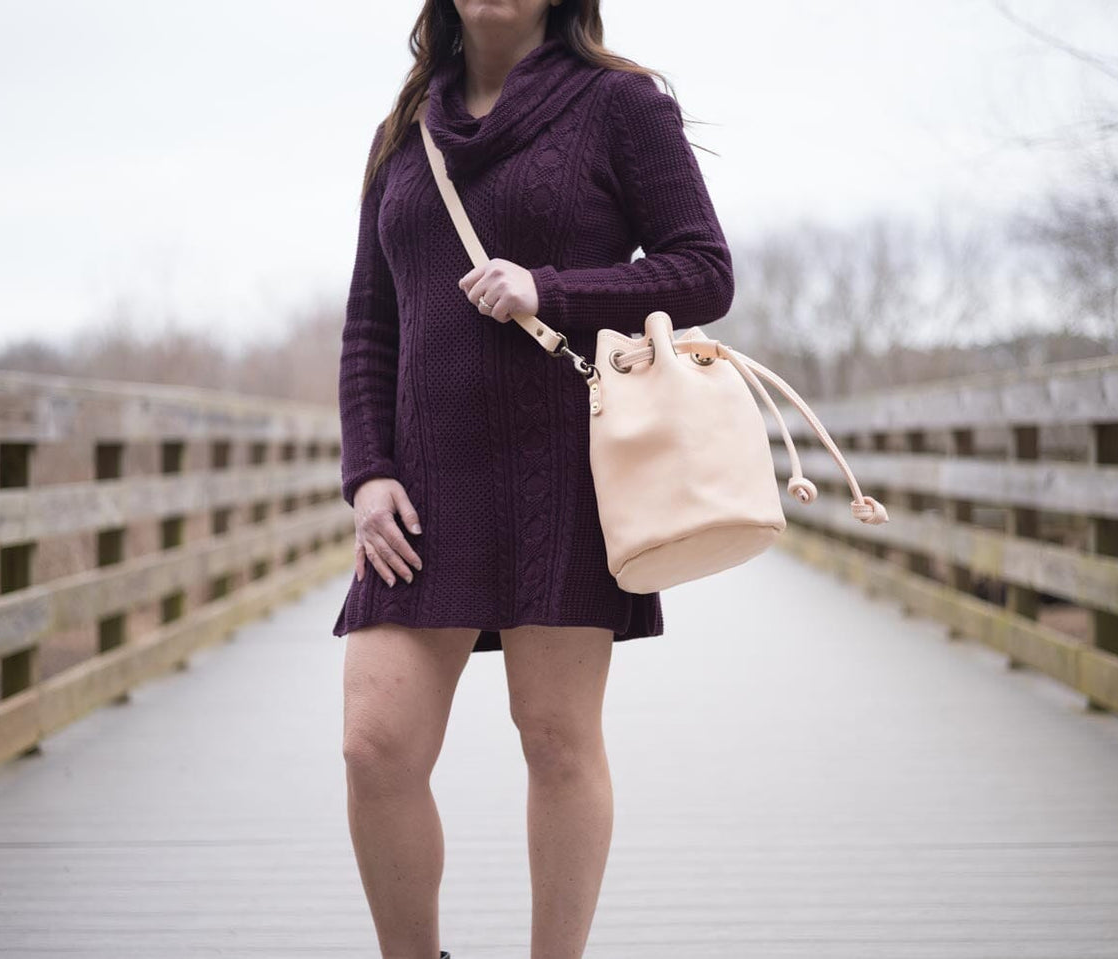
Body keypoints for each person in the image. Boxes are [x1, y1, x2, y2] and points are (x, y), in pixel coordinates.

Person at [333, 0, 734, 955]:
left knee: (555, 739)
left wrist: (550, 288)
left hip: (563, 472)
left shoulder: (620, 105)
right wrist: (367, 473)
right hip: (423, 489)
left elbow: (703, 271)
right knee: (373, 745)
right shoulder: (405, 130)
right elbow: (369, 324)